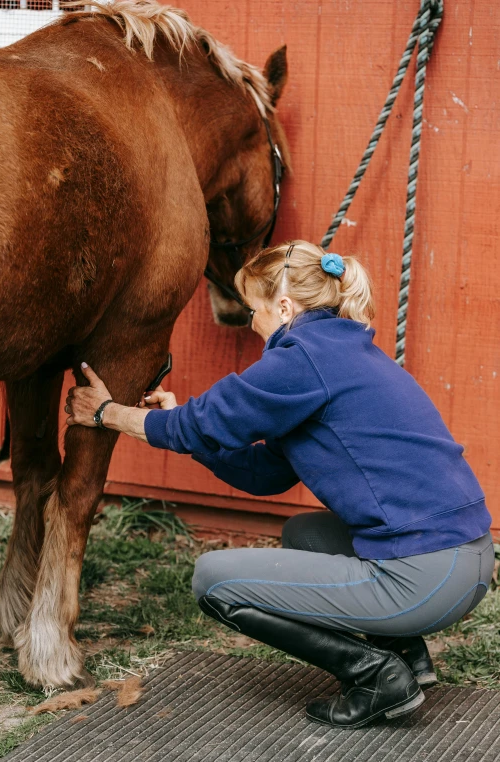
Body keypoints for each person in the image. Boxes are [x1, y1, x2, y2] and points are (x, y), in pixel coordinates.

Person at [66, 240, 494, 730]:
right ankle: (408, 655)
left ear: (285, 308)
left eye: (253, 310)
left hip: (426, 577)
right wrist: (187, 429)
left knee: (214, 580)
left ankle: (378, 676)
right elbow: (265, 474)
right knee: (304, 537)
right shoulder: (342, 351)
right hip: (464, 561)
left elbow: (200, 423)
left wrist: (106, 414)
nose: (251, 323)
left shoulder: (301, 359)